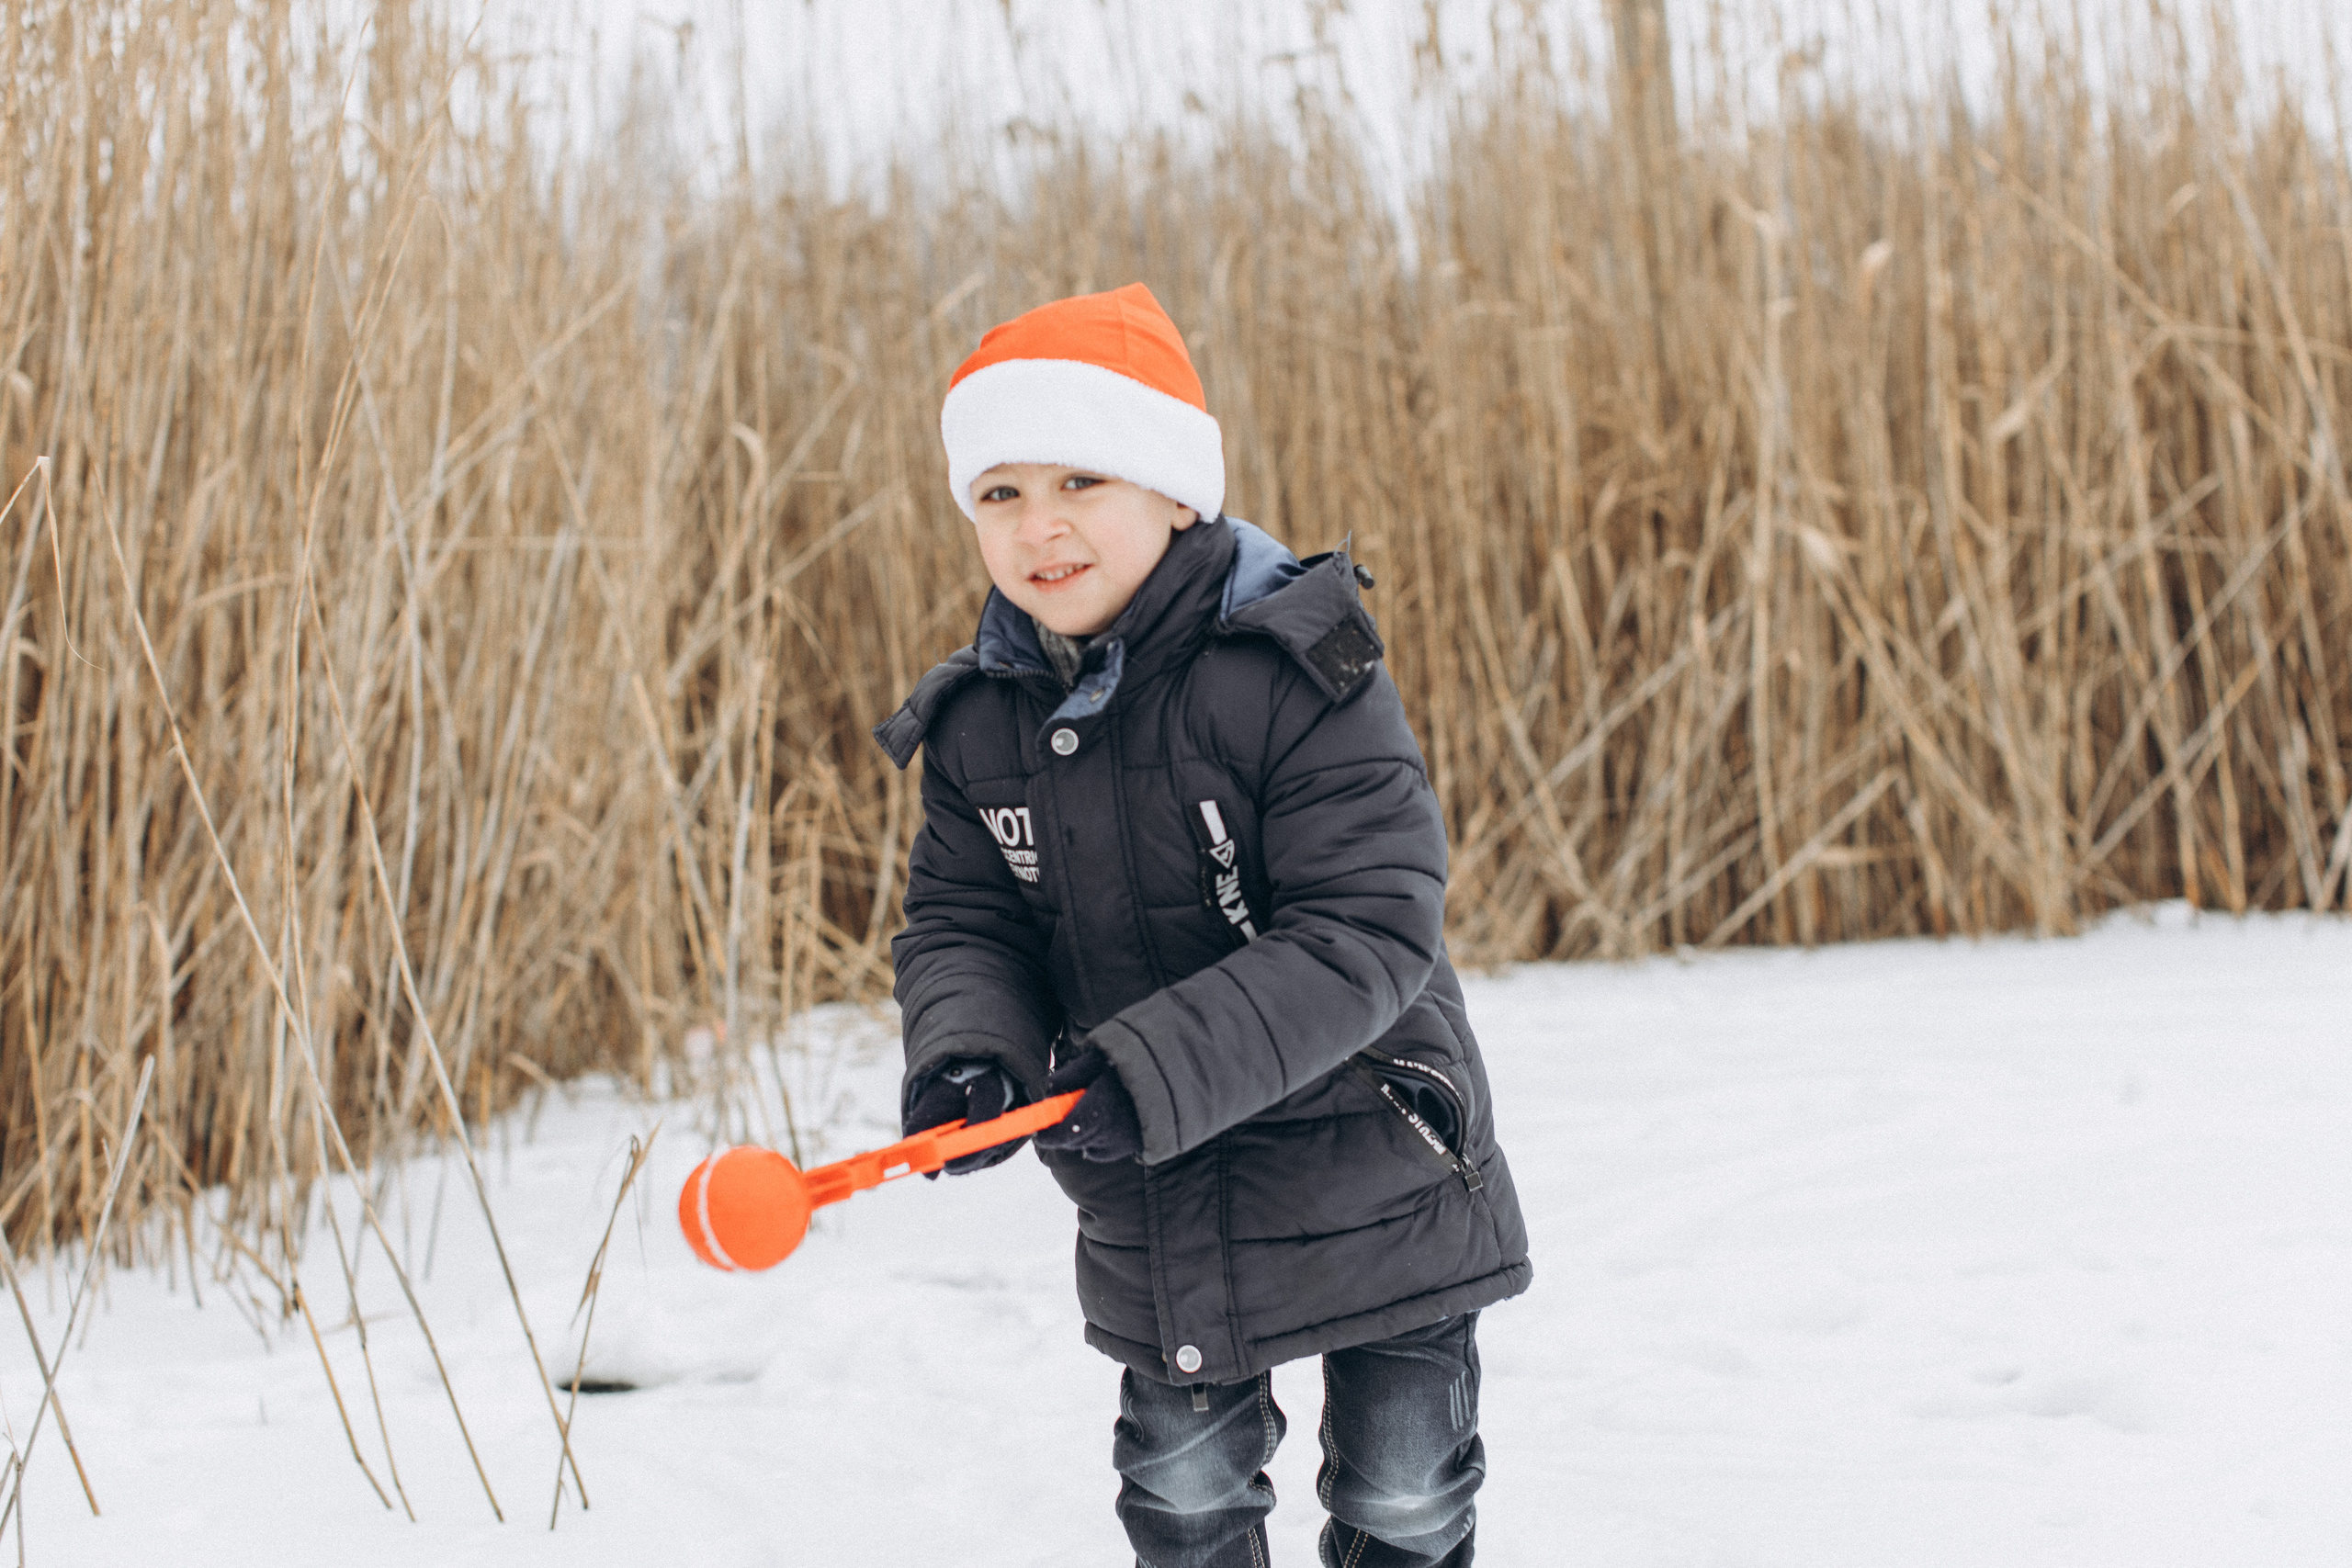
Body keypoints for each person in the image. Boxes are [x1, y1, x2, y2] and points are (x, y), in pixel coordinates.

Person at [875, 282, 1531, 1568]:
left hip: (1373, 1158)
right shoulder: (978, 722)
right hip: (1158, 1189)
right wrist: (972, 1057)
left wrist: (1147, 1069)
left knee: (1404, 1499)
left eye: (1081, 482)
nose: (1038, 527)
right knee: (1184, 1501)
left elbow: (1369, 929)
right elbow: (963, 920)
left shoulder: (1296, 668)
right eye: (998, 494)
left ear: (1176, 492)